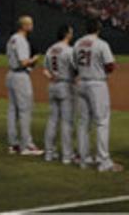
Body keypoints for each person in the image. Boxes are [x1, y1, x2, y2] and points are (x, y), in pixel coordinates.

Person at [73, 19, 122, 172]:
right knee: (101, 122)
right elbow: (110, 65)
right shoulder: (101, 44)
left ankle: (84, 158)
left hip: (81, 83)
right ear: (98, 29)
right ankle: (104, 161)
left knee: (83, 122)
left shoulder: (78, 43)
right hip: (97, 84)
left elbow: (74, 65)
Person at [5, 15, 43, 155]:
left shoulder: (12, 38)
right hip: (20, 76)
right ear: (24, 26)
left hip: (11, 75)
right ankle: (27, 145)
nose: (32, 26)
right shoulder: (21, 40)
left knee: (12, 110)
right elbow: (24, 62)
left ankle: (13, 144)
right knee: (25, 110)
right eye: (30, 24)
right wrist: (34, 59)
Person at [43, 24, 76, 163]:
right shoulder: (69, 50)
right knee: (67, 122)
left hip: (52, 85)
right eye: (71, 32)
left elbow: (44, 70)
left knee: (52, 120)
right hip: (65, 85)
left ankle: (49, 154)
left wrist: (51, 76)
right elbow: (76, 69)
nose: (72, 34)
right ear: (67, 34)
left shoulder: (51, 49)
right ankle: (67, 156)